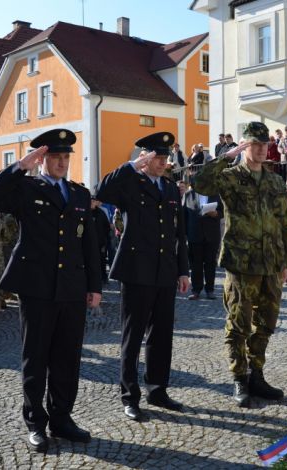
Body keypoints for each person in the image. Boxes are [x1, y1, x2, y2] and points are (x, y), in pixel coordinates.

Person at [0, 129, 102, 452]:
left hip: (72, 288)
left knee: (67, 357)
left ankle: (62, 417)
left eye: (65, 158)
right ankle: (36, 422)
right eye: (55, 157)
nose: (61, 163)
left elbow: (89, 243)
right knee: (36, 357)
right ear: (43, 159)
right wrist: (21, 165)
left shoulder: (78, 194)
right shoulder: (26, 188)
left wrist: (95, 286)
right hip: (37, 287)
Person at [194, 122, 287, 408]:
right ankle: (239, 378)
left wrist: (285, 262)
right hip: (241, 263)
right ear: (245, 146)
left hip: (271, 264)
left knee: (266, 324)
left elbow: (284, 224)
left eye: (265, 145)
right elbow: (201, 183)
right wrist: (227, 156)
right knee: (239, 325)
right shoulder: (230, 177)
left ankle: (256, 375)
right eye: (255, 145)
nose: (262, 150)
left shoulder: (275, 181)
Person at [97, 131, 190, 422]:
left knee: (162, 334)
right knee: (133, 335)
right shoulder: (130, 183)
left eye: (165, 158)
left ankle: (157, 388)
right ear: (145, 158)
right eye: (157, 158)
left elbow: (179, 233)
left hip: (164, 270)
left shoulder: (171, 188)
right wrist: (129, 166)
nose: (162, 163)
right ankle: (130, 395)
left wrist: (183, 269)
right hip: (136, 270)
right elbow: (103, 191)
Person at [183, 180, 222, 300]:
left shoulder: (216, 194)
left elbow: (224, 212)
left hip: (212, 235)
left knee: (210, 264)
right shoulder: (188, 195)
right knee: (195, 265)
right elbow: (184, 215)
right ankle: (196, 290)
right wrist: (184, 234)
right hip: (194, 235)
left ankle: (210, 290)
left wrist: (215, 213)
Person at [90, 197, 111, 282]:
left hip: (100, 242)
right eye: (91, 201)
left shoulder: (101, 213)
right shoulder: (86, 212)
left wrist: (104, 239)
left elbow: (107, 226)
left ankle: (104, 277)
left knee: (102, 260)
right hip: (89, 242)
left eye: (93, 201)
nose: (92, 202)